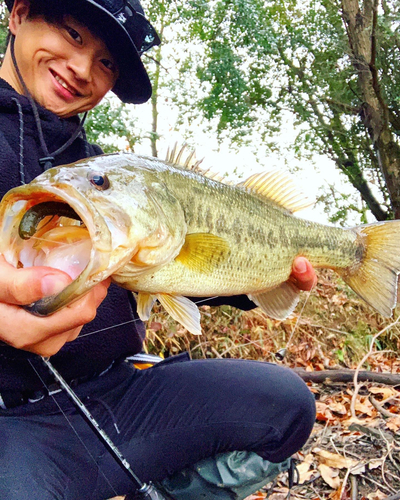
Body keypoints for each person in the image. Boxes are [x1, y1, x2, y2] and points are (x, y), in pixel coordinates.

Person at [0, 1, 317, 499]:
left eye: (106, 62)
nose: (82, 69)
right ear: (18, 13)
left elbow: (164, 264)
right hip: (14, 426)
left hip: (122, 398)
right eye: (73, 34)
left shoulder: (108, 170)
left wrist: (261, 278)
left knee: (284, 406)